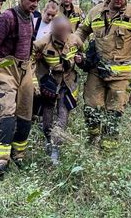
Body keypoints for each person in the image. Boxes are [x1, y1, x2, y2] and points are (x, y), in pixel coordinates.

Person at [75, 0, 131, 150]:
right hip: (96, 71)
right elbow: (81, 31)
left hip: (121, 76)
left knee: (113, 114)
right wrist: (72, 47)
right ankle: (92, 142)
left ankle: (108, 151)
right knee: (91, 110)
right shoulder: (95, 12)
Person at [0, 0, 41, 177]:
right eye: (32, 0)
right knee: (6, 113)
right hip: (4, 68)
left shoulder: (30, 17)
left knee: (25, 115)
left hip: (24, 70)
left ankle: (18, 155)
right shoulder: (7, 17)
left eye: (37, 1)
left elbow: (28, 46)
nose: (35, 5)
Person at [33, 16, 84, 165]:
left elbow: (83, 53)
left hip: (68, 83)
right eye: (59, 33)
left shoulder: (75, 40)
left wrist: (81, 59)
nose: (62, 36)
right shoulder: (41, 43)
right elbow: (30, 59)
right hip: (49, 84)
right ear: (52, 31)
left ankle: (56, 147)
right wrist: (37, 79)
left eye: (65, 32)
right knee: (47, 115)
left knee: (63, 114)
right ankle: (48, 140)